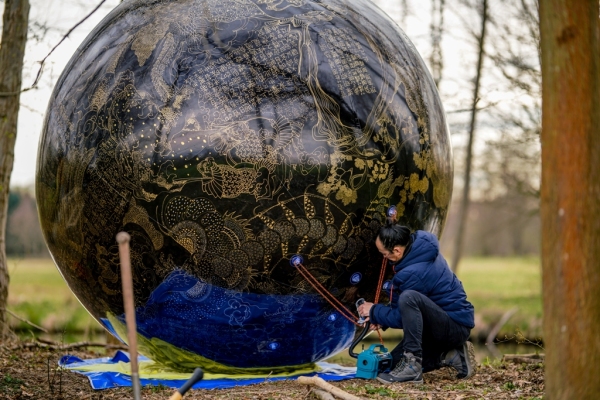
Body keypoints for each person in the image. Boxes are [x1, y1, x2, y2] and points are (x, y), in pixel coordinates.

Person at [357, 222, 476, 384]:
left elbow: (401, 316)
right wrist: (381, 318)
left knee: (409, 297)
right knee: (389, 366)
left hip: (454, 326)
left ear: (397, 250)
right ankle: (452, 356)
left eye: (384, 254)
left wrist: (374, 311)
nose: (383, 258)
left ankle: (412, 366)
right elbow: (410, 312)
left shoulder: (413, 273)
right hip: (440, 323)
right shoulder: (419, 246)